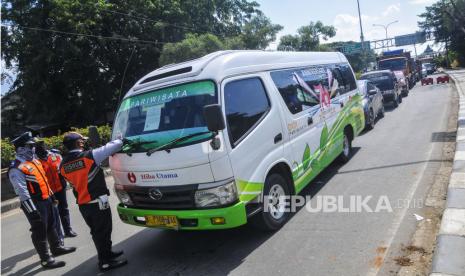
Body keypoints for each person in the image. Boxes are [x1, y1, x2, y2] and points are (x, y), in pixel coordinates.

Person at [60, 132, 127, 272]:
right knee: (103, 231)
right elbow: (115, 145)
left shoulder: (62, 165)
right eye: (81, 141)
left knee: (97, 232)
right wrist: (120, 137)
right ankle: (105, 262)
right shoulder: (90, 156)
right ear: (78, 143)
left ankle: (107, 253)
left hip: (84, 204)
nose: (83, 142)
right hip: (97, 202)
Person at [8, 132, 76, 269]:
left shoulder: (34, 161)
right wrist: (32, 211)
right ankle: (46, 259)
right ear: (21, 148)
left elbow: (43, 181)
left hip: (46, 200)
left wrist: (52, 196)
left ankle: (56, 248)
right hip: (35, 203)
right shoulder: (16, 167)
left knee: (51, 225)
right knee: (39, 230)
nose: (34, 148)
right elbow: (22, 192)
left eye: (33, 145)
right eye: (30, 145)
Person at [35, 140, 78, 239]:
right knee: (53, 213)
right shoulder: (35, 160)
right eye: (39, 145)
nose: (42, 146)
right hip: (48, 191)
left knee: (64, 209)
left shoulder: (55, 155)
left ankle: (68, 230)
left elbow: (63, 169)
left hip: (60, 187)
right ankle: (57, 235)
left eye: (43, 144)